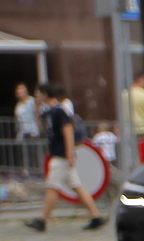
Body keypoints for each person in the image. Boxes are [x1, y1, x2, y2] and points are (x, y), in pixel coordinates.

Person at [25, 85, 107, 233]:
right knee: (76, 186)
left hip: (61, 155)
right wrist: (36, 111)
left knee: (52, 187)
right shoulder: (49, 113)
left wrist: (69, 153)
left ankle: (42, 220)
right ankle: (96, 216)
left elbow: (67, 131)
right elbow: (43, 129)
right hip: (58, 153)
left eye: (38, 94)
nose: (36, 97)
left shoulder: (59, 111)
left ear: (45, 94)